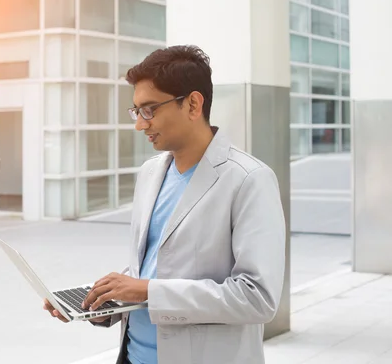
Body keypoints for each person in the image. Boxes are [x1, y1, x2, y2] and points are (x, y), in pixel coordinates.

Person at [44, 45, 286, 364]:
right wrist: (104, 301)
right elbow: (154, 266)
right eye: (136, 112)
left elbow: (257, 298)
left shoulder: (249, 179)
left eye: (150, 110)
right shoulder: (150, 173)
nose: (140, 125)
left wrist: (147, 290)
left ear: (193, 104)